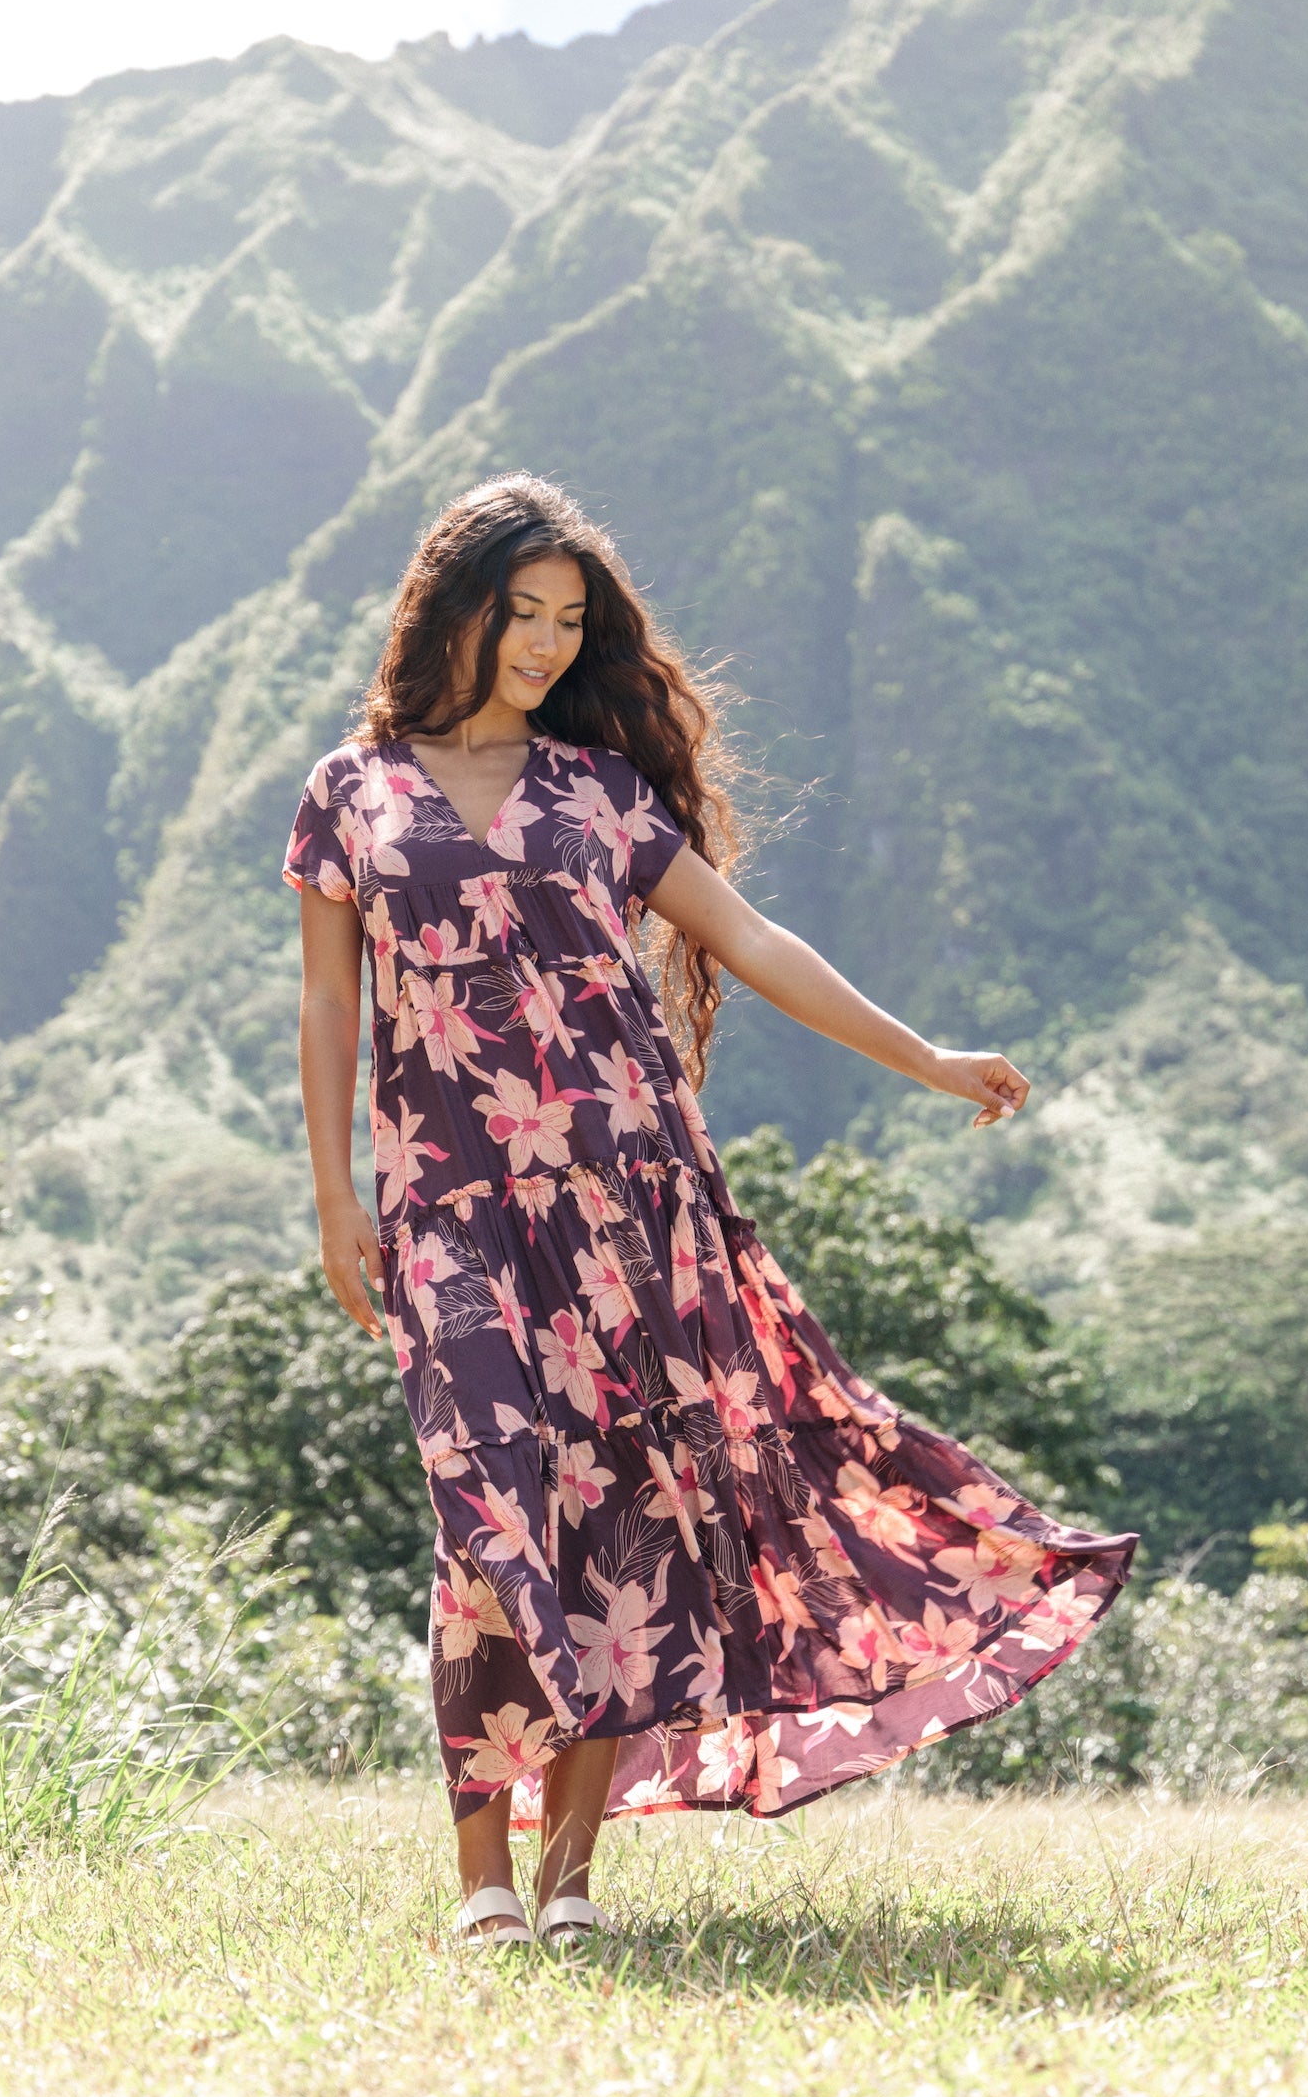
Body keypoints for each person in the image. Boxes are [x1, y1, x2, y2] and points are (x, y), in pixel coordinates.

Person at [285, 474, 1136, 1950]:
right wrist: (331, 1198)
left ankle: (564, 1886)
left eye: (570, 620)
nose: (547, 643)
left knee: (618, 1516)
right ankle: (479, 1877)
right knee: (489, 1520)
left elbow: (746, 937)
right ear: (455, 606)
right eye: (522, 612)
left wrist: (924, 1057)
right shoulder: (349, 792)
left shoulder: (601, 795)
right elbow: (326, 1001)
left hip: (633, 1196)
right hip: (451, 1210)